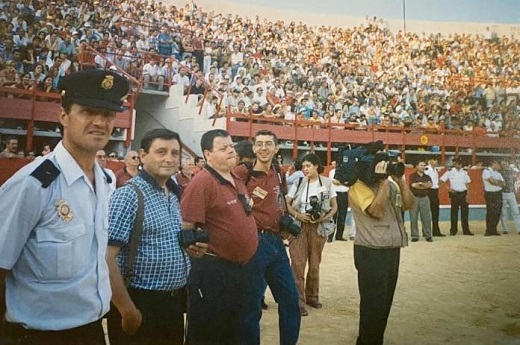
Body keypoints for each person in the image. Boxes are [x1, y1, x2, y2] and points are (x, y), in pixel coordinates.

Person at [0, 69, 129, 344]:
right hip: (38, 336)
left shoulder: (106, 180)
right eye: (88, 111)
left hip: (92, 330)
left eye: (107, 115)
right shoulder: (33, 184)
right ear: (63, 116)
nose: (99, 122)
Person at [106, 129, 207, 345]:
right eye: (161, 152)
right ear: (143, 155)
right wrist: (127, 310)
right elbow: (106, 258)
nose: (169, 159)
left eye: (174, 153)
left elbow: (167, 241)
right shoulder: (128, 195)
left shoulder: (174, 194)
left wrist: (191, 249)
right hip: (140, 302)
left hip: (172, 304)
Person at [180, 129, 258, 344]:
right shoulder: (202, 182)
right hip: (213, 273)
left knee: (233, 331)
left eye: (231, 147)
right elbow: (187, 226)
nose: (231, 152)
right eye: (223, 148)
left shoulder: (235, 178)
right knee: (208, 332)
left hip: (239, 270)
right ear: (207, 154)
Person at [233, 130, 301, 345]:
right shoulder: (242, 172)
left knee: (291, 300)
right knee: (251, 306)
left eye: (268, 144)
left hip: (276, 243)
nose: (263, 148)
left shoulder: (279, 171)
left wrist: (284, 221)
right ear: (253, 148)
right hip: (254, 243)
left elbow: (279, 201)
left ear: (276, 148)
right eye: (259, 144)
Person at [349, 158, 414, 345]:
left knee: (384, 304)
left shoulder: (392, 186)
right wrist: (384, 181)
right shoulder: (358, 187)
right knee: (372, 305)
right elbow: (376, 211)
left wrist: (400, 181)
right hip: (370, 251)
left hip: (391, 250)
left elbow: (409, 205)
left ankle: (374, 341)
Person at [286, 153, 337, 316]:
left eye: (308, 166)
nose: (305, 169)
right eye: (303, 167)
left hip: (318, 227)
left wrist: (324, 217)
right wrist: (297, 215)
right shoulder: (299, 181)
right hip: (299, 226)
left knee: (315, 265)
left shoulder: (327, 183)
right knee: (298, 265)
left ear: (316, 165)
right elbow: (287, 203)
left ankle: (312, 297)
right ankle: (298, 302)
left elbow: (334, 206)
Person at [440, 158, 474, 236]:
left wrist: (468, 194)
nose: (459, 165)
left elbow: (467, 184)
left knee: (465, 213)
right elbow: (441, 181)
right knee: (454, 213)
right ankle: (453, 230)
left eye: (460, 164)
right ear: (455, 164)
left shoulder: (465, 172)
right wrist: (449, 189)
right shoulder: (450, 172)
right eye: (458, 163)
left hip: (463, 193)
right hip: (454, 194)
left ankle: (466, 230)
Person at [409, 160, 434, 242]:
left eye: (424, 165)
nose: (423, 167)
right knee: (413, 217)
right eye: (421, 165)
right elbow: (413, 186)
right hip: (414, 198)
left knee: (426, 218)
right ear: (417, 166)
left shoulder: (427, 176)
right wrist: (424, 185)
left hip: (425, 198)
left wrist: (420, 184)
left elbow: (430, 185)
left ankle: (428, 235)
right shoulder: (412, 176)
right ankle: (415, 236)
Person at [482, 160, 505, 237]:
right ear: (493, 163)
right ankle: (488, 230)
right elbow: (491, 181)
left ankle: (494, 229)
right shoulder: (486, 171)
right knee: (491, 212)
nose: (499, 165)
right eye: (497, 163)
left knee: (497, 212)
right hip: (490, 194)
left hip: (498, 193)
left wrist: (496, 182)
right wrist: (499, 182)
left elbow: (504, 184)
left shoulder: (498, 173)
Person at [424, 156, 446, 236]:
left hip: (435, 191)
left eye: (437, 160)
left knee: (435, 212)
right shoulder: (426, 169)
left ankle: (436, 231)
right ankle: (426, 231)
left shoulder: (435, 170)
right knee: (426, 213)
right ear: (430, 161)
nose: (436, 161)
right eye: (434, 160)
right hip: (429, 191)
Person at [328, 160, 349, 242]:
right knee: (333, 215)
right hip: (335, 194)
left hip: (344, 194)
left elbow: (349, 182)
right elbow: (334, 182)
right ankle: (330, 235)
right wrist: (344, 182)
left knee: (342, 216)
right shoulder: (332, 171)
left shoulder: (347, 171)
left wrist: (341, 182)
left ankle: (339, 235)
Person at [500, 159, 520, 234]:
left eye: (505, 164)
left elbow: (516, 180)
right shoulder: (500, 172)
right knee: (504, 212)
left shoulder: (512, 171)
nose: (504, 166)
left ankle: (519, 229)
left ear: (507, 163)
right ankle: (505, 229)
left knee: (515, 211)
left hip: (511, 193)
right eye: (503, 165)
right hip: (502, 193)